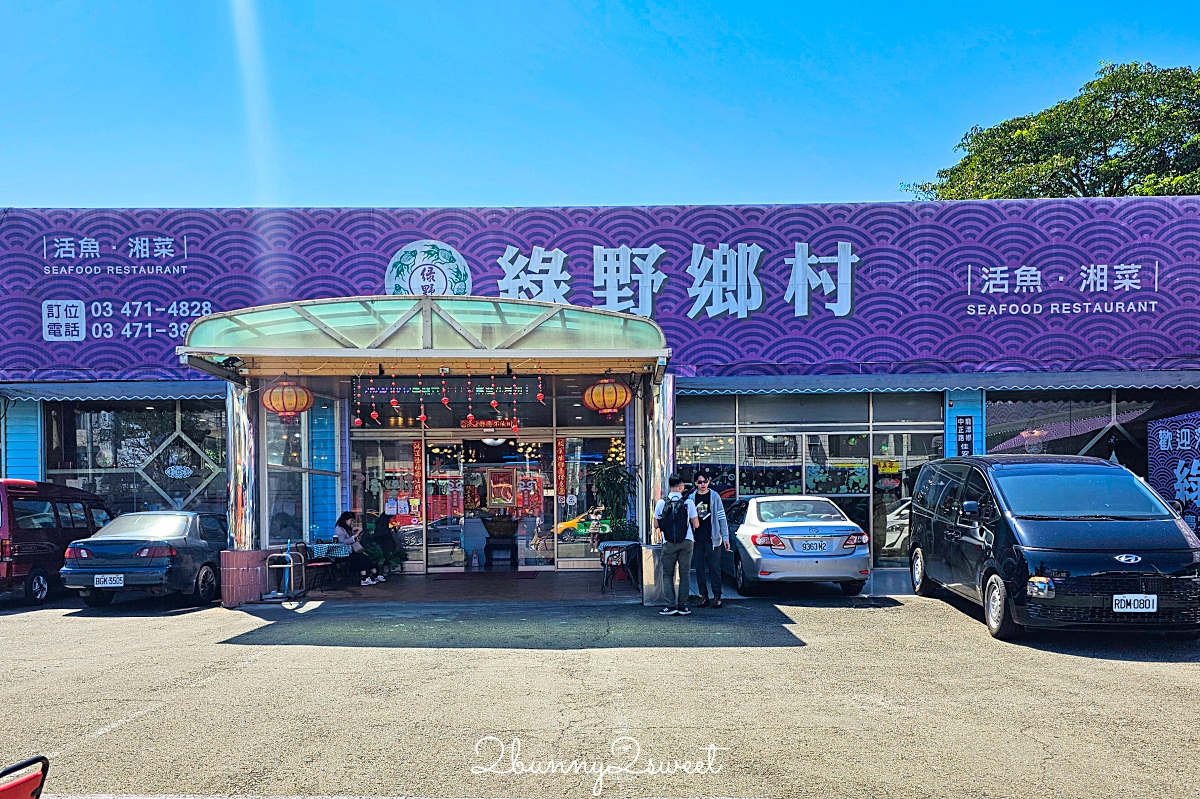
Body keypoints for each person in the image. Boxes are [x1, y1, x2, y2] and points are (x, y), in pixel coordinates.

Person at [653, 474, 699, 616]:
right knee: (684, 575)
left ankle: (670, 606)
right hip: (686, 541)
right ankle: (683, 606)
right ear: (679, 487)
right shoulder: (688, 503)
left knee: (668, 574)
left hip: (669, 543)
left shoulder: (662, 503)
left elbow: (656, 524)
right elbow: (696, 524)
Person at [688, 472, 730, 608]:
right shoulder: (691, 498)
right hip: (697, 539)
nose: (702, 484)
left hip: (713, 538)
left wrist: (725, 537)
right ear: (695, 483)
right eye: (700, 482)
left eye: (705, 481)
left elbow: (722, 518)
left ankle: (717, 596)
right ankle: (703, 596)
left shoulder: (714, 496)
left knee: (715, 569)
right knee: (699, 569)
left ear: (709, 482)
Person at [334, 511, 381, 586]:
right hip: (345, 552)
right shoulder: (339, 529)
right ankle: (364, 578)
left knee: (366, 558)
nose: (351, 522)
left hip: (351, 550)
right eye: (351, 520)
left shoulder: (347, 528)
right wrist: (355, 535)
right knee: (360, 559)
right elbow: (343, 541)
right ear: (345, 520)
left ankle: (375, 575)